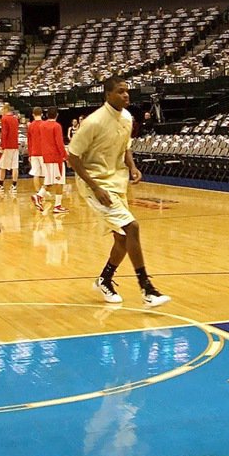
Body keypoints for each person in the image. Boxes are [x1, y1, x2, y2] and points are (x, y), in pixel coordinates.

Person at [67, 76, 169, 308]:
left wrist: (132, 167)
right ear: (108, 95)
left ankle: (105, 279)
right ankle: (147, 288)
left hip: (117, 181)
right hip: (95, 184)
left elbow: (126, 147)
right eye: (121, 91)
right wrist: (95, 187)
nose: (126, 95)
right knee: (132, 227)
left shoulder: (127, 117)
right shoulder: (93, 122)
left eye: (127, 91)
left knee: (122, 238)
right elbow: (72, 157)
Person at [32, 107, 68, 215]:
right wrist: (65, 156)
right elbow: (59, 143)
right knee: (59, 182)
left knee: (49, 181)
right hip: (56, 157)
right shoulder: (56, 126)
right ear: (57, 115)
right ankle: (57, 205)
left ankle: (38, 196)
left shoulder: (42, 125)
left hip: (46, 157)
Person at [0, 104, 20, 194]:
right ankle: (14, 186)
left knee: (2, 166)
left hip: (7, 146)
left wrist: (2, 146)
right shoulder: (15, 118)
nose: (1, 111)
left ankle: (0, 185)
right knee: (15, 166)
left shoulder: (4, 118)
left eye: (2, 109)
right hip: (15, 145)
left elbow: (4, 133)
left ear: (6, 109)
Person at [27, 106, 45, 198]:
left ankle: (38, 192)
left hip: (34, 152)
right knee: (47, 174)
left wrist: (29, 154)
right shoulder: (44, 124)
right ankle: (43, 191)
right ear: (42, 114)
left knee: (35, 173)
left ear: (33, 114)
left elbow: (29, 141)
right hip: (43, 152)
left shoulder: (30, 126)